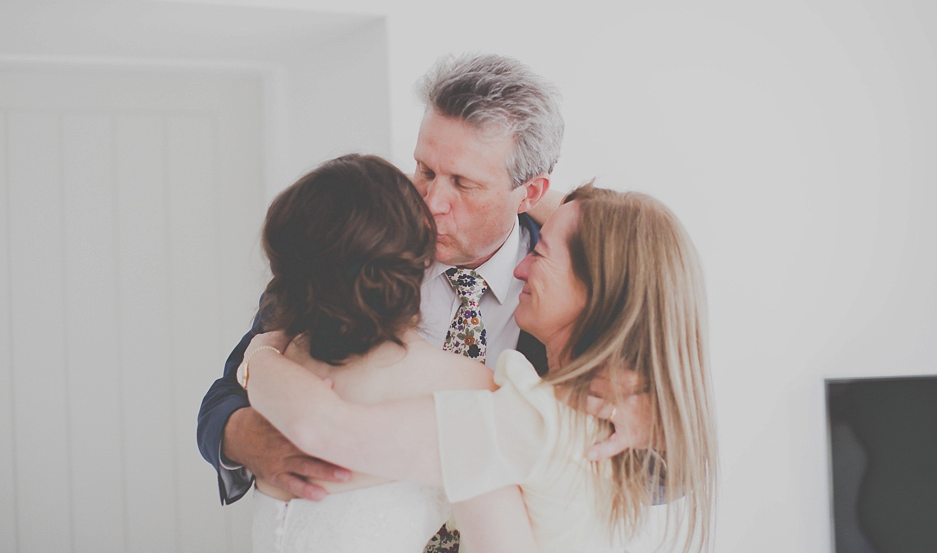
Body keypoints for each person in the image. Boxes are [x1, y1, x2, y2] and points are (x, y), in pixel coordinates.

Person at [243, 185, 719, 553]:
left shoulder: (523, 419)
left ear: (597, 290)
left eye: (540, 252)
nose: (518, 268)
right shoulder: (606, 421)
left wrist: (261, 356)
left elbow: (319, 429)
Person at [244, 153, 539, 552]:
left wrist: (259, 355)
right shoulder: (471, 387)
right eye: (427, 174)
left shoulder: (280, 361)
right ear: (419, 255)